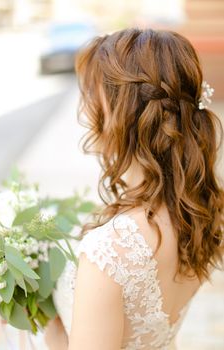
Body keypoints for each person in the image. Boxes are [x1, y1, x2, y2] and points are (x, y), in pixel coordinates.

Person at [44, 27, 224, 350]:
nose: (86, 110)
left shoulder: (108, 253)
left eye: (95, 96)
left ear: (123, 115)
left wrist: (52, 333)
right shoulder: (196, 214)